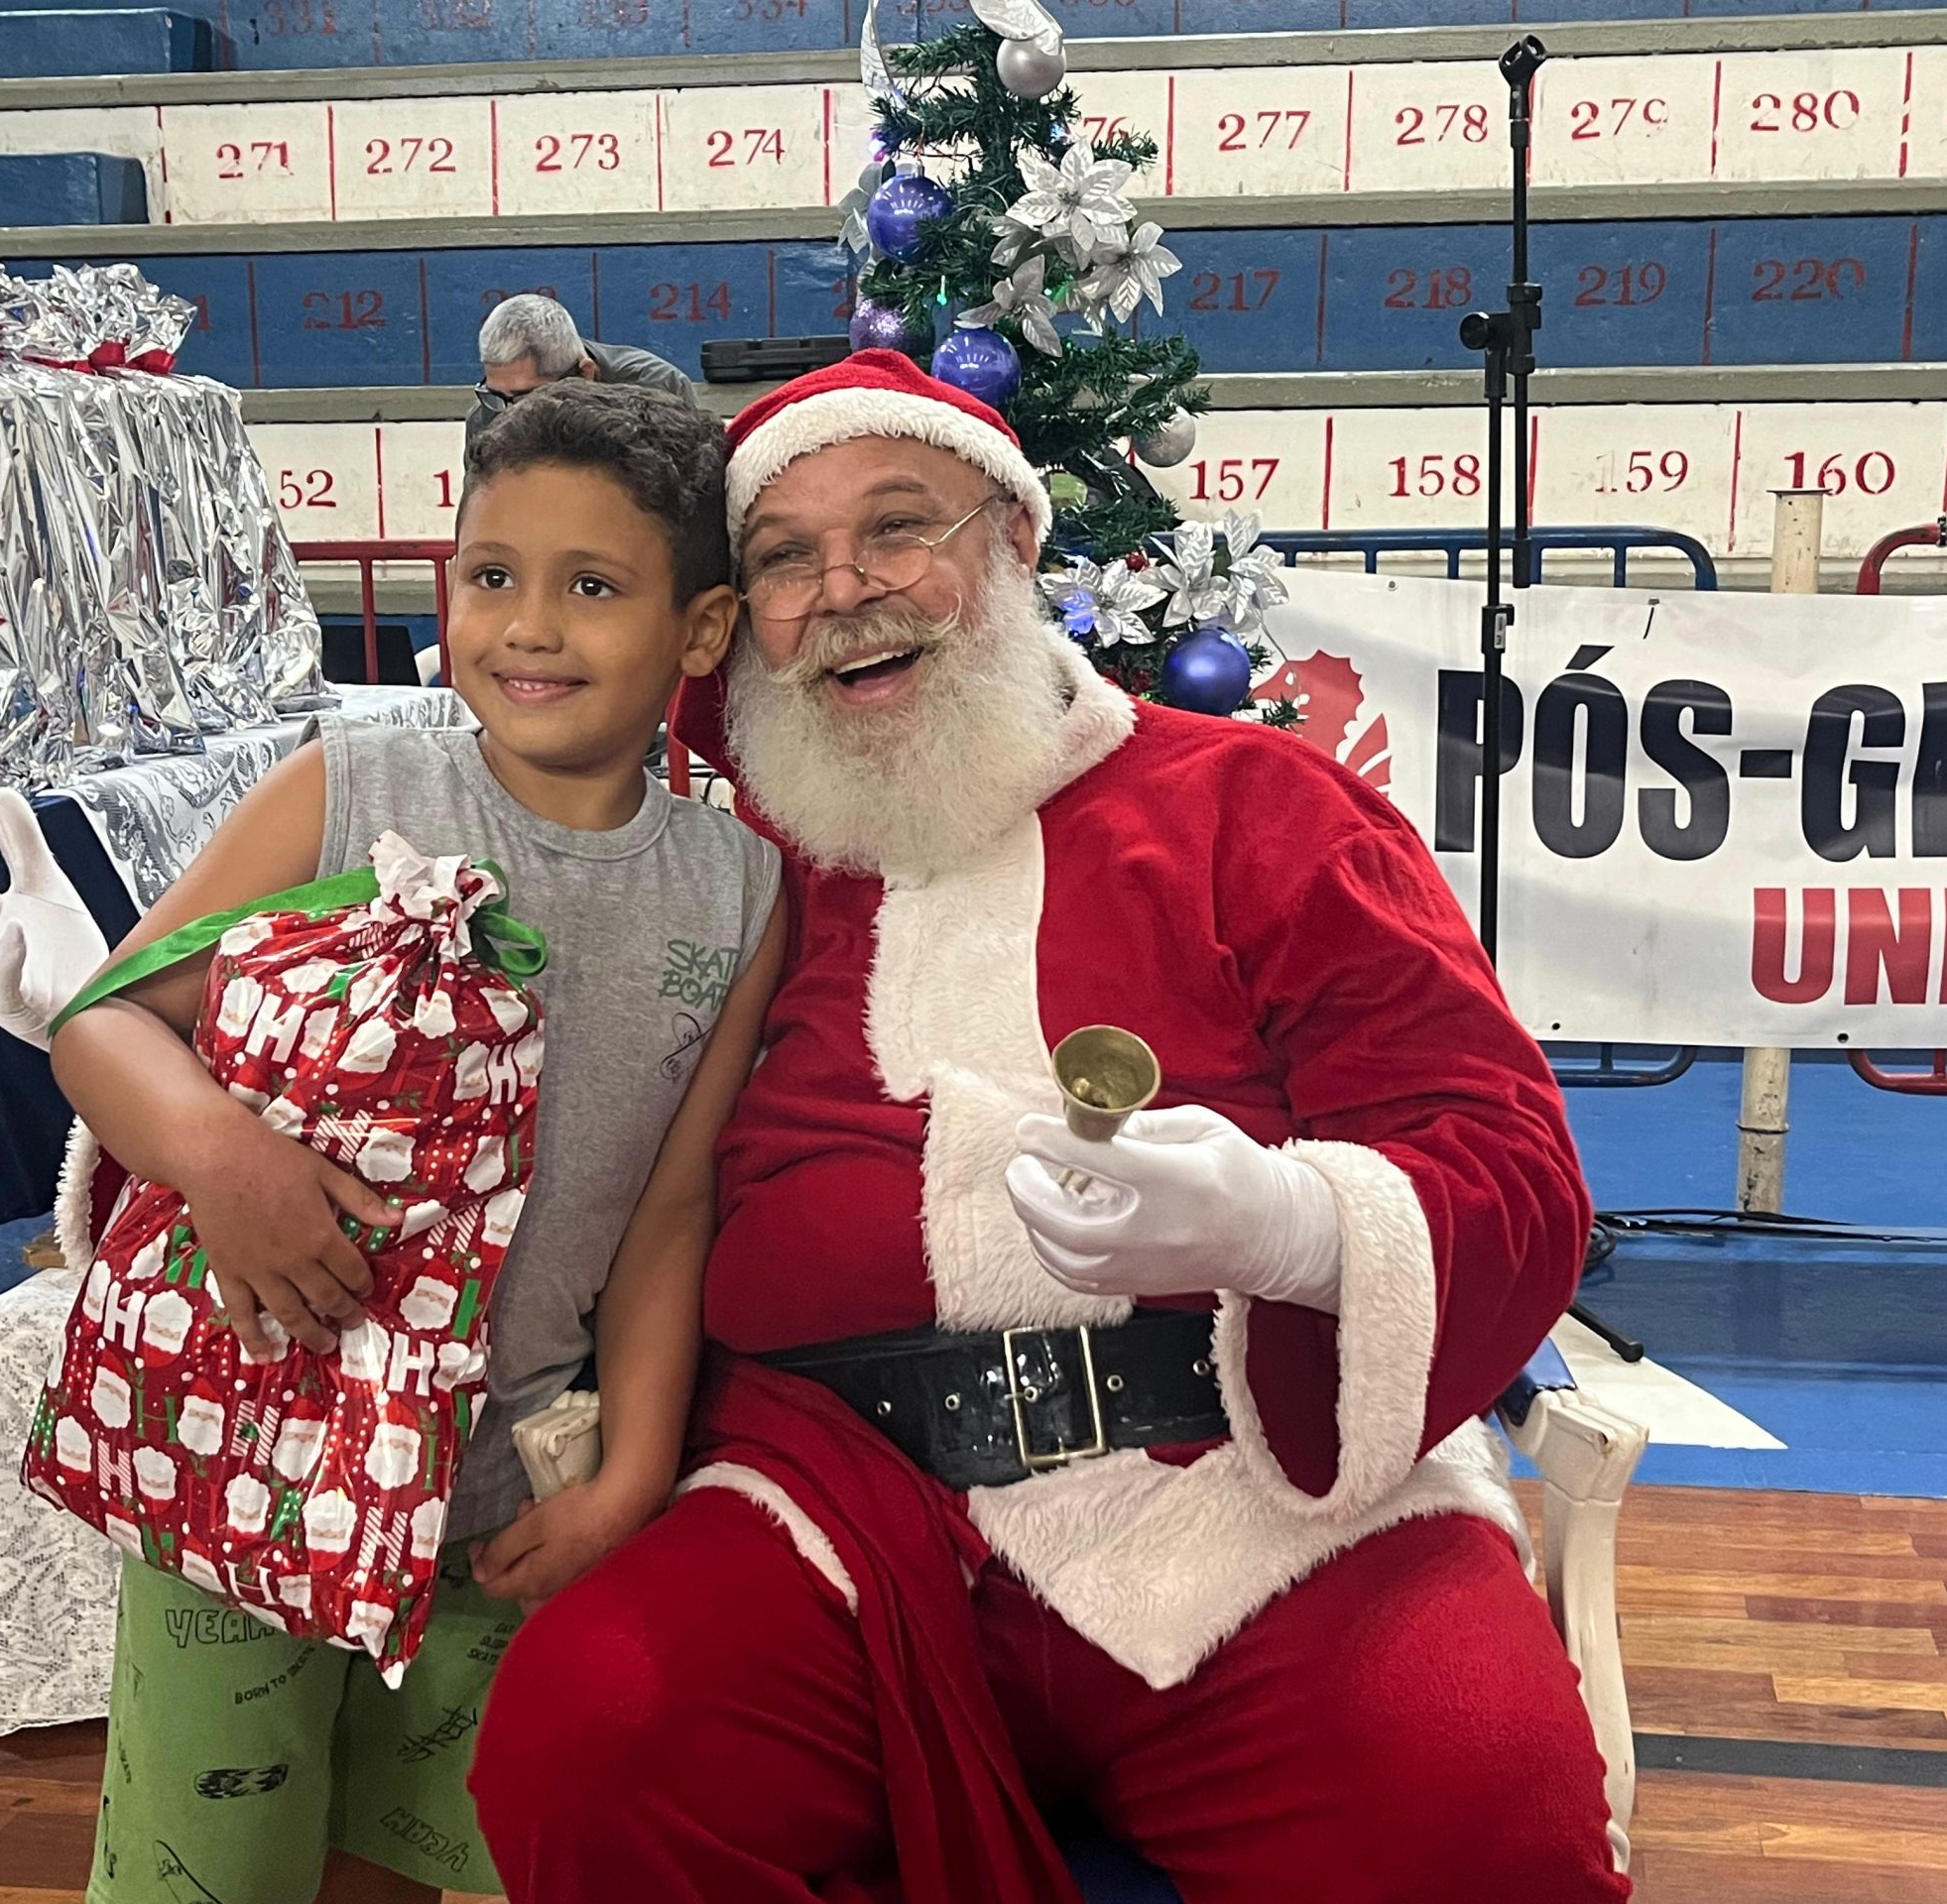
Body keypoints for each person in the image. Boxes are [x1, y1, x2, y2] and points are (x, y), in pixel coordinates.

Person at [464, 352, 1630, 1903]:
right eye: (786, 560)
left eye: (899, 527)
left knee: (1466, 1800)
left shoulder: (1261, 806)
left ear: (1015, 538)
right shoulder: (726, 873)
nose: (845, 591)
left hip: (1249, 1495)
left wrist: (1287, 1225)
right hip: (830, 1505)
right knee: (592, 1741)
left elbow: (1503, 1155)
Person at [0, 381, 784, 1904]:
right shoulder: (351, 785)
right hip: (244, 1454)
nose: (528, 626)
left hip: (501, 1491)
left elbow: (670, 1209)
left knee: (413, 1849)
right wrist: (218, 1154)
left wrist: (633, 1469)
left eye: (593, 587)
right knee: (209, 1864)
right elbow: (106, 1024)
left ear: (702, 629)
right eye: (492, 574)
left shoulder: (739, 891)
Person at [466, 295, 693, 456]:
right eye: (495, 394)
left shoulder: (658, 390)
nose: (509, 415)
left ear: (586, 374)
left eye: (526, 399)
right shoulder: (488, 414)